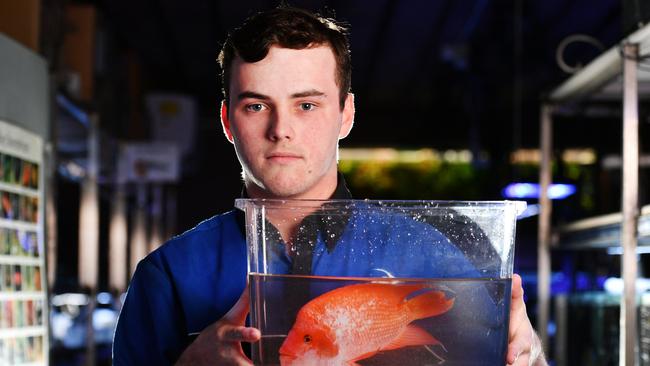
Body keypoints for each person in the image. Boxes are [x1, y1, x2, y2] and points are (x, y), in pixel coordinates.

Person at [113, 6, 547, 366]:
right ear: (228, 121)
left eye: (306, 104)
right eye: (257, 105)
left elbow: (513, 357)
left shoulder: (433, 251)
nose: (281, 129)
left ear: (346, 115)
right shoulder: (167, 276)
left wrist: (532, 353)